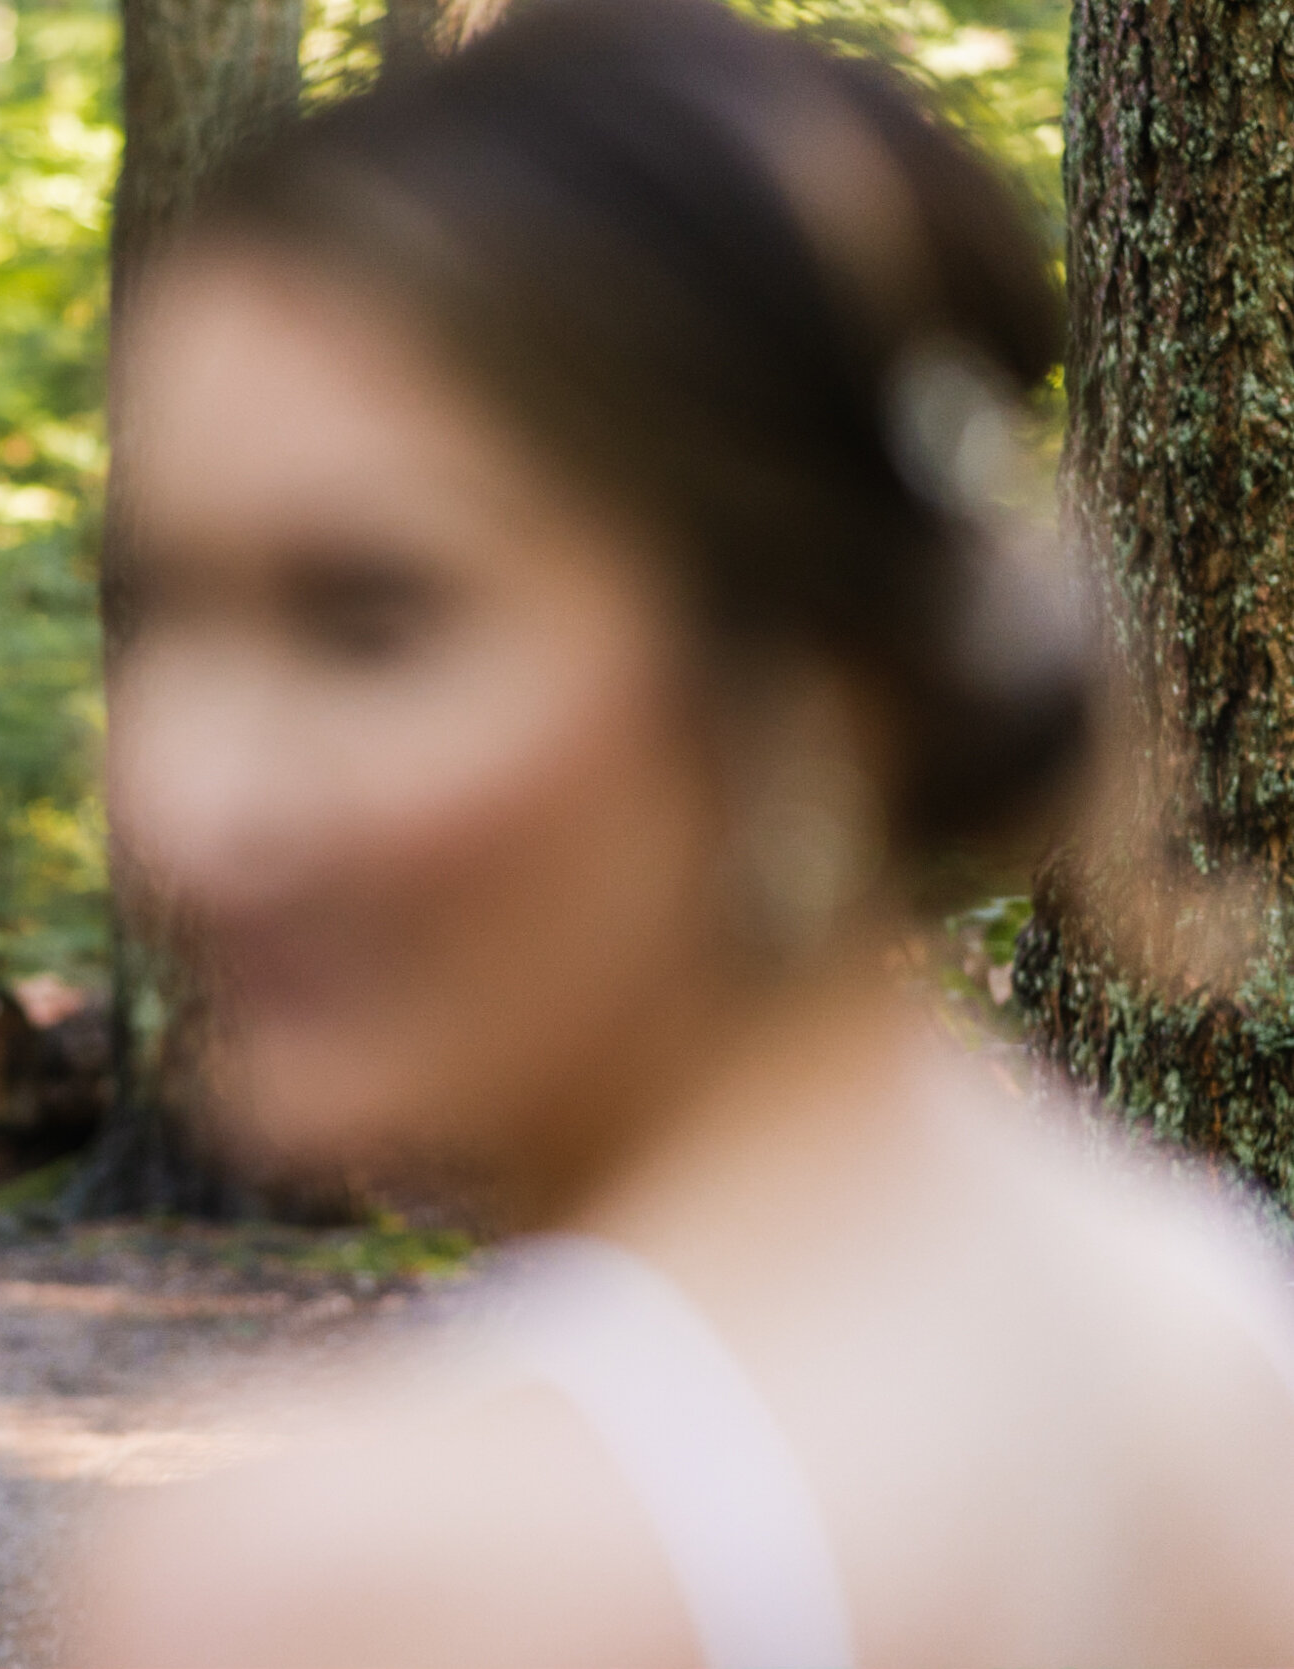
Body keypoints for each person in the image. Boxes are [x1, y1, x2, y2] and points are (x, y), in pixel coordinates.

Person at [74, 4, 1294, 1665]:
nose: (189, 803)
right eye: (161, 613)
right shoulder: (1220, 1343)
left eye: (371, 618)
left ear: (817, 671)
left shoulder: (354, 1576)